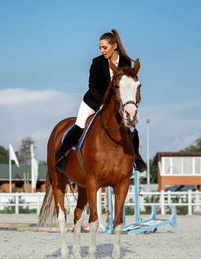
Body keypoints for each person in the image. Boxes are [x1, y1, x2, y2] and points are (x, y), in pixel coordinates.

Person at [54, 29, 147, 173]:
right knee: (79, 125)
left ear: (114, 46)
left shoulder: (125, 62)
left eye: (105, 48)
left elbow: (126, 85)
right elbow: (92, 86)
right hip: (93, 100)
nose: (102, 51)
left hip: (115, 103)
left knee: (132, 128)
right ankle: (61, 155)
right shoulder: (97, 62)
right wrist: (101, 103)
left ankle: (137, 157)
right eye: (100, 48)